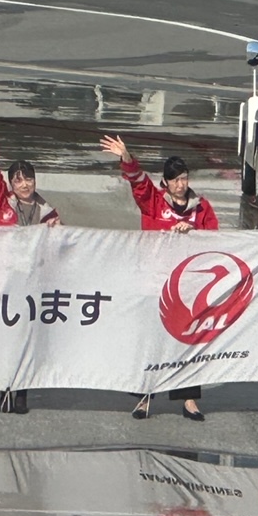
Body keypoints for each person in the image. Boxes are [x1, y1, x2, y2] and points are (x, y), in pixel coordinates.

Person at [100, 134, 218, 421]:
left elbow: (216, 240)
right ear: (165, 183)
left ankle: (189, 399)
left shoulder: (202, 208)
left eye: (185, 179)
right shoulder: (154, 203)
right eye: (175, 180)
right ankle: (144, 397)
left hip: (187, 287)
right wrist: (126, 156)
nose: (181, 185)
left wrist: (194, 234)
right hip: (154, 282)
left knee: (188, 342)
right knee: (150, 340)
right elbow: (138, 182)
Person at [0, 125, 59, 415]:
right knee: (5, 338)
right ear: (11, 183)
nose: (24, 185)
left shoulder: (48, 211)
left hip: (32, 283)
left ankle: (22, 392)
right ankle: (4, 389)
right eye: (18, 180)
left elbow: (60, 246)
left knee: (27, 337)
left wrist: (57, 235)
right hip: (3, 279)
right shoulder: (0, 203)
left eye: (28, 179)